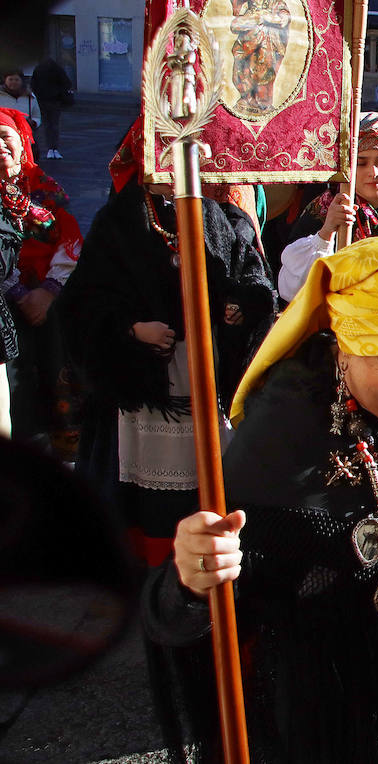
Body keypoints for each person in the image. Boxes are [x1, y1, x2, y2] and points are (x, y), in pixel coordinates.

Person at [148, 234, 378, 762]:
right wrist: (192, 579)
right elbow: (211, 611)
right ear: (350, 347)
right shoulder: (283, 434)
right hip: (334, 710)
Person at [59, 125, 276, 566]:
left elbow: (250, 277)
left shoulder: (212, 215)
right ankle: (143, 561)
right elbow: (84, 302)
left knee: (202, 475)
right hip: (140, 385)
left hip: (201, 371)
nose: (172, 170)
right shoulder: (119, 219)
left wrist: (238, 308)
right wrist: (131, 331)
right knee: (136, 484)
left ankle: (199, 558)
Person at [277, 112, 378, 301]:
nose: (373, 172)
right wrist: (325, 234)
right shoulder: (324, 210)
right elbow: (290, 291)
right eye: (361, 163)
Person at [0, 110, 82, 458]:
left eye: (5, 135)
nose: (0, 144)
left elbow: (71, 237)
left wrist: (48, 291)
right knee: (15, 385)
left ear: (22, 141)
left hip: (50, 302)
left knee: (57, 370)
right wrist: (17, 291)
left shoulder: (45, 188)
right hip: (5, 307)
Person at [228, 0, 292, 115]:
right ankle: (247, 97)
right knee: (244, 64)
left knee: (266, 65)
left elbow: (280, 4)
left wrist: (283, 15)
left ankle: (263, 102)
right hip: (250, 29)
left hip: (267, 32)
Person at [28, 58, 72, 160]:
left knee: (46, 124)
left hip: (42, 101)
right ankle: (54, 148)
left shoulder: (38, 69)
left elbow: (33, 85)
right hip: (54, 101)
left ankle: (49, 148)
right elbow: (67, 83)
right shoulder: (57, 69)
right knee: (54, 124)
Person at [0, 69, 40, 133]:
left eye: (16, 80)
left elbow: (36, 116)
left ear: (21, 81)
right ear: (5, 80)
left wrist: (34, 122)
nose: (13, 82)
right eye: (10, 79)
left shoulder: (30, 97)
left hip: (24, 135)